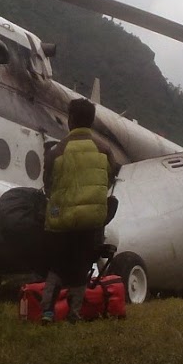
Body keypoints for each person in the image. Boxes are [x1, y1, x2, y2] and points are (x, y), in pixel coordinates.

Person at [39, 98, 117, 323]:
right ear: (91, 121)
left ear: (70, 120)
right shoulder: (104, 150)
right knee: (81, 265)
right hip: (91, 220)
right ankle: (74, 314)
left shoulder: (57, 151)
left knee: (57, 265)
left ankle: (47, 312)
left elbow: (48, 184)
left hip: (61, 220)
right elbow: (109, 179)